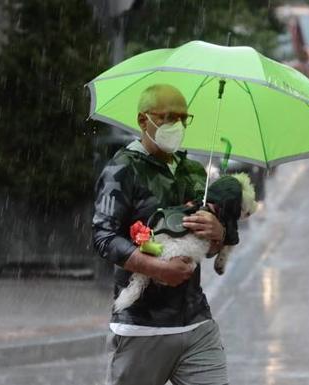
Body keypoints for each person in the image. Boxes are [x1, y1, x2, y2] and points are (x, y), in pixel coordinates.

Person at [92, 84, 230, 385]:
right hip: (142, 326)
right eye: (168, 117)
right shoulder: (123, 169)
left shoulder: (193, 171)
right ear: (144, 120)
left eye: (183, 118)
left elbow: (205, 247)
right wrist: (158, 268)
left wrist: (218, 234)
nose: (177, 126)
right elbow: (103, 237)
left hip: (195, 322)